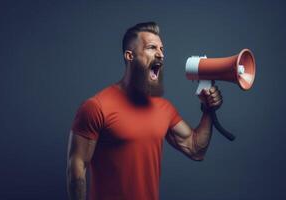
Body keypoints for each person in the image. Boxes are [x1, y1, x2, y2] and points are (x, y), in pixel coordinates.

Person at [67, 22, 223, 200]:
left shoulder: (164, 108)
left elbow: (195, 149)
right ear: (129, 56)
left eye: (162, 49)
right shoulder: (96, 107)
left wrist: (208, 110)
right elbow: (77, 167)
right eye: (151, 47)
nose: (160, 54)